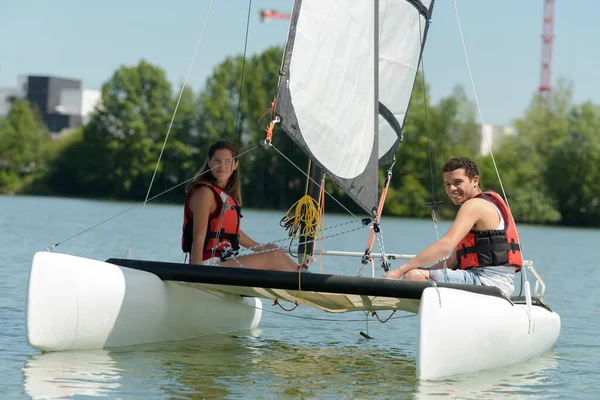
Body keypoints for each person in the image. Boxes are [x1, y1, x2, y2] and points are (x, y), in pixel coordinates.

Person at [386, 157, 522, 297]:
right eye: (447, 184)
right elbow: (451, 262)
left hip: (486, 283)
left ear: (475, 180)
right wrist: (425, 271)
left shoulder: (473, 205)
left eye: (458, 182)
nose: (452, 189)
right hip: (497, 284)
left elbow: (445, 246)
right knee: (417, 273)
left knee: (412, 277)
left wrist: (399, 271)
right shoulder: (488, 201)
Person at [182, 140, 304, 272]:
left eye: (228, 161)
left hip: (223, 261)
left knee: (274, 250)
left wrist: (261, 248)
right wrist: (195, 274)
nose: (222, 166)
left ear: (235, 165)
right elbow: (198, 237)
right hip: (207, 264)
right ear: (209, 162)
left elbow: (232, 232)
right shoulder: (204, 192)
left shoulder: (222, 194)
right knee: (274, 257)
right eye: (217, 160)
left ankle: (304, 276)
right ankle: (305, 284)